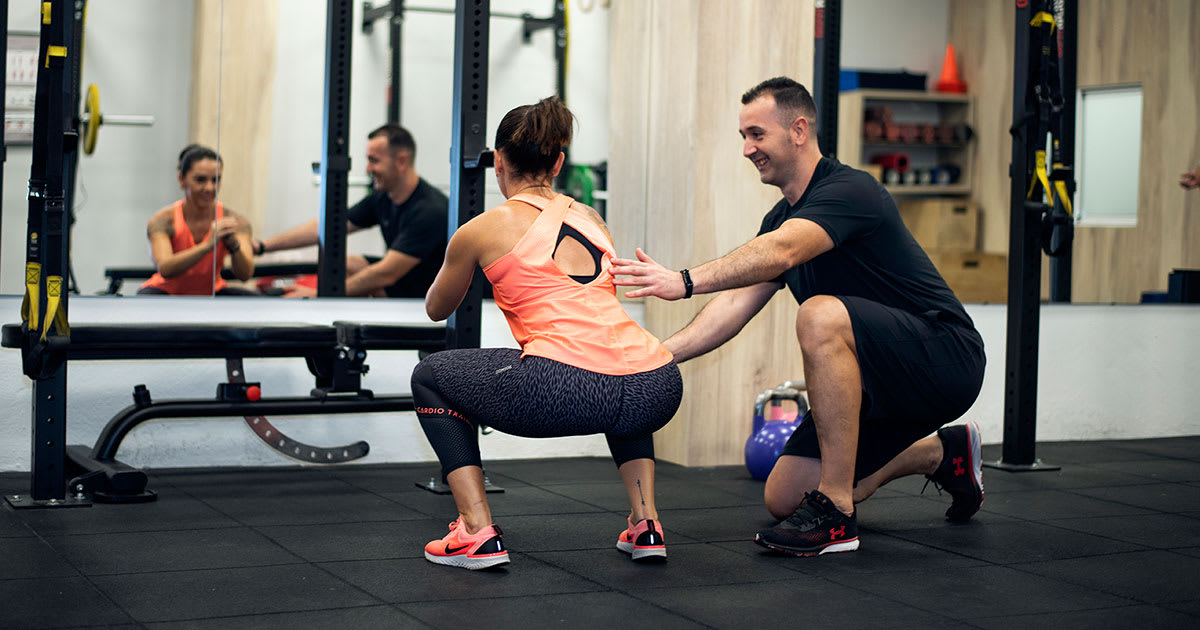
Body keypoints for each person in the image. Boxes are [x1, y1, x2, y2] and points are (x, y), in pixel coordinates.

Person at [611, 77, 986, 557]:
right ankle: (942, 453)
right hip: (871, 382)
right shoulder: (778, 220)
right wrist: (657, 355)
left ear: (799, 130)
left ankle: (836, 514)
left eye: (756, 134)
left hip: (943, 357)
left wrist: (683, 280)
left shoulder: (850, 190)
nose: (747, 149)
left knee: (819, 314)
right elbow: (732, 306)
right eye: (743, 137)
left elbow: (783, 252)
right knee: (784, 496)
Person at [412, 97, 683, 571]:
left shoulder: (480, 229)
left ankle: (475, 530)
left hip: (564, 387)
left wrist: (469, 256)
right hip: (656, 380)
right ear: (557, 162)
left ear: (498, 161)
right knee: (619, 376)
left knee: (430, 374)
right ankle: (647, 525)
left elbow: (438, 309)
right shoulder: (593, 220)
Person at [253, 125, 448, 297]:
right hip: (409, 282)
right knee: (346, 264)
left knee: (370, 280)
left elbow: (386, 273)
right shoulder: (384, 197)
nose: (368, 168)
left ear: (402, 161)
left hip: (431, 301)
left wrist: (318, 295)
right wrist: (261, 246)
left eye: (374, 160)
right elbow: (329, 227)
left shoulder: (429, 211)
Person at [139, 144, 257, 296]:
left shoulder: (236, 221)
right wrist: (208, 245)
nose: (209, 188)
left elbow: (245, 275)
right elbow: (165, 269)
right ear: (182, 179)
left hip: (212, 291)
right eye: (200, 180)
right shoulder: (163, 221)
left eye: (216, 180)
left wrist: (234, 246)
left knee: (256, 304)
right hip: (167, 291)